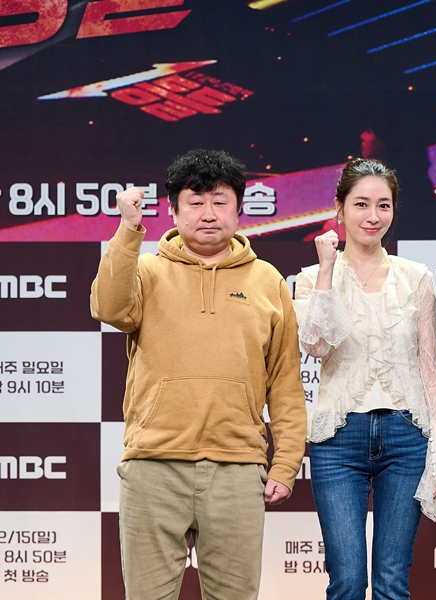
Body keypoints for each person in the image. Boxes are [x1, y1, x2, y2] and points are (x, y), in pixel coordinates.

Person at [90, 149, 307, 600]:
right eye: (195, 202)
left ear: (239, 208)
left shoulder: (267, 280)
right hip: (153, 466)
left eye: (220, 201)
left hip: (237, 469)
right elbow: (107, 308)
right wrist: (128, 231)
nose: (208, 213)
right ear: (173, 210)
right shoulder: (146, 270)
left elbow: (286, 381)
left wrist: (285, 464)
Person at [293, 158, 436, 600]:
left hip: (406, 437)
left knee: (391, 581)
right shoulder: (312, 278)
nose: (373, 216)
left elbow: (431, 367)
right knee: (347, 581)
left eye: (383, 205)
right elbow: (315, 345)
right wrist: (327, 269)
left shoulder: (415, 277)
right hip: (338, 440)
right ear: (339, 209)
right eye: (361, 204)